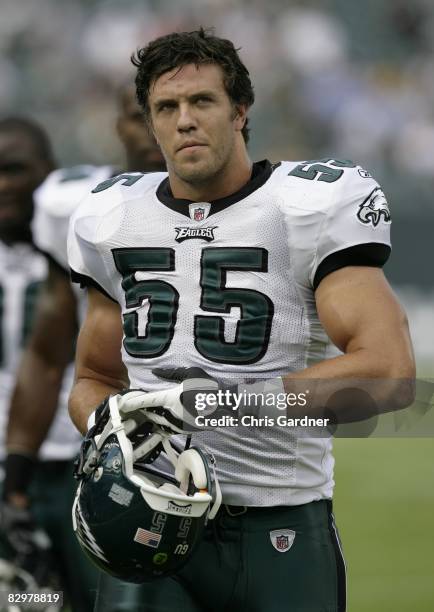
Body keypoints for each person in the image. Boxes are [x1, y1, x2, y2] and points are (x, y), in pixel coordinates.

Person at [67, 29, 415, 612]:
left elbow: (389, 372)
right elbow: (92, 379)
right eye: (166, 107)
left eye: (202, 101)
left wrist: (214, 404)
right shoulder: (113, 217)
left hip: (278, 522)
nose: (184, 121)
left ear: (240, 111)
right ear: (150, 123)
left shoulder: (304, 206)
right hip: (148, 521)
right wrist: (111, 427)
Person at [3, 89, 166, 611]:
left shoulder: (79, 208)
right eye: (138, 115)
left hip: (119, 460)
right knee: (35, 602)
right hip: (40, 462)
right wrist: (16, 474)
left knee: (115, 601)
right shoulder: (80, 214)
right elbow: (48, 354)